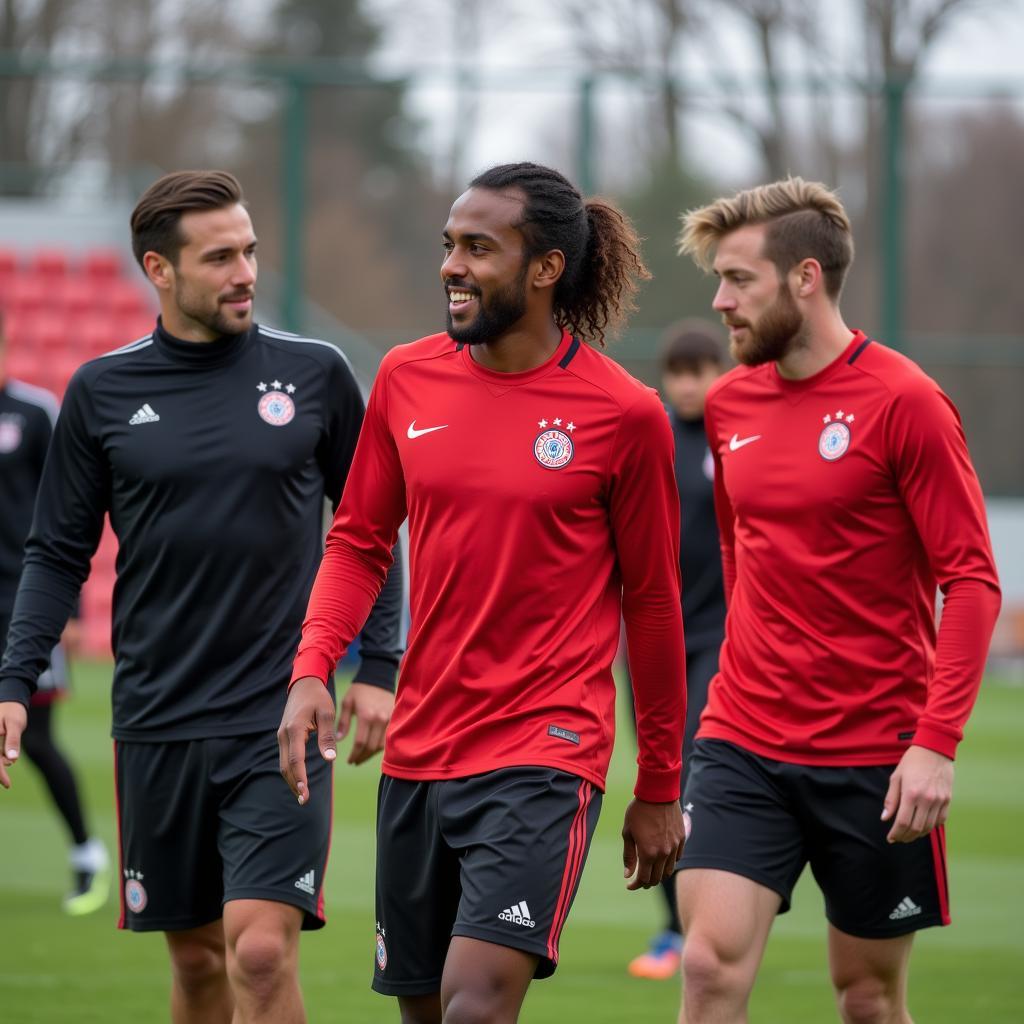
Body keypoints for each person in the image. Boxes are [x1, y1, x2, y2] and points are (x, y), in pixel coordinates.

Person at [278, 161, 687, 1024]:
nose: (451, 266)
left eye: (478, 247)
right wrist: (313, 667)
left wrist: (659, 783)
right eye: (448, 245)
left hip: (547, 748)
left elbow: (651, 602)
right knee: (425, 1011)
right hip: (423, 748)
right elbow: (356, 542)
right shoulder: (404, 378)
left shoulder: (626, 414)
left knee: (474, 1007)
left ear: (544, 269)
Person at [0, 170, 403, 1024]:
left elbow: (372, 525)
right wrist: (12, 681)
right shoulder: (101, 392)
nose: (246, 272)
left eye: (250, 251)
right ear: (159, 268)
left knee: (258, 950)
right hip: (156, 717)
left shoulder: (316, 374)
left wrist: (382, 661)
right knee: (196, 967)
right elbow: (55, 553)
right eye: (220, 256)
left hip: (279, 714)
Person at [673, 177, 1001, 1024]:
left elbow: (971, 580)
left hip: (875, 755)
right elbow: (742, 552)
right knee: (707, 968)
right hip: (743, 738)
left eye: (739, 279)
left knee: (865, 996)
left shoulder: (907, 403)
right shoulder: (730, 404)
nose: (721, 301)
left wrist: (935, 744)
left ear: (805, 278)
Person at [626, 321, 727, 981]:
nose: (688, 384)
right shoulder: (652, 435)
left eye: (701, 370)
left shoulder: (737, 435)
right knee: (658, 775)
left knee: (692, 770)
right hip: (651, 638)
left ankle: (694, 926)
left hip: (721, 636)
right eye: (678, 371)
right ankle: (677, 924)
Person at [0, 314, 109, 915]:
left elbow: (67, 519)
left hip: (24, 604)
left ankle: (86, 853)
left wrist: (67, 607)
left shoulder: (33, 414)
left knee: (37, 741)